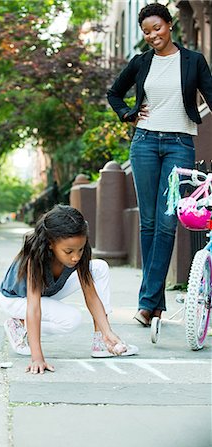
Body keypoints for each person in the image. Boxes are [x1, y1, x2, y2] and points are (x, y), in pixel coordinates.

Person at [107, 3, 212, 326]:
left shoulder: (193, 60)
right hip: (145, 143)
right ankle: (151, 303)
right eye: (146, 32)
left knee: (167, 223)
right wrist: (128, 113)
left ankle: (148, 301)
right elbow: (114, 94)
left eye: (157, 28)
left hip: (179, 143)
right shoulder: (141, 63)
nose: (153, 35)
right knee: (149, 223)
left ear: (169, 25)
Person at [0, 204, 138, 374]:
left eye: (80, 249)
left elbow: (91, 296)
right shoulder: (35, 257)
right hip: (16, 299)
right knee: (72, 319)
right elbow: (34, 308)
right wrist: (37, 358)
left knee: (99, 267)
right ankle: (18, 325)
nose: (76, 257)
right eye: (69, 251)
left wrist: (107, 331)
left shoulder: (78, 252)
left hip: (49, 290)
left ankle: (101, 342)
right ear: (50, 244)